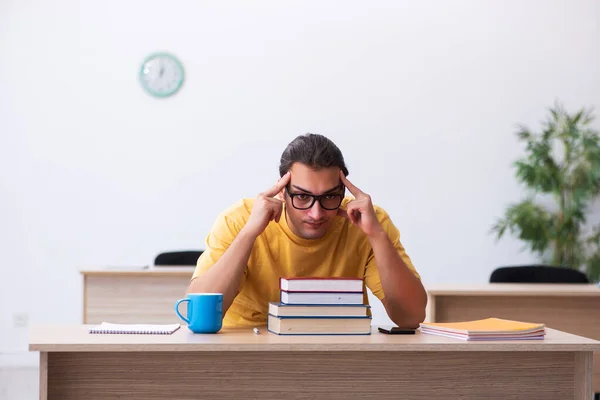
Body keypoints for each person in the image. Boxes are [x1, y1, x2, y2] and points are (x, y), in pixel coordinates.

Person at [187, 133, 427, 328]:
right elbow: (195, 316)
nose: (316, 213)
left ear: (344, 193)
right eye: (302, 196)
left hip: (338, 357)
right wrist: (249, 234)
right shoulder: (239, 219)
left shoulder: (368, 221)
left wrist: (377, 235)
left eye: (330, 196)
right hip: (248, 357)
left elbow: (411, 317)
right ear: (282, 191)